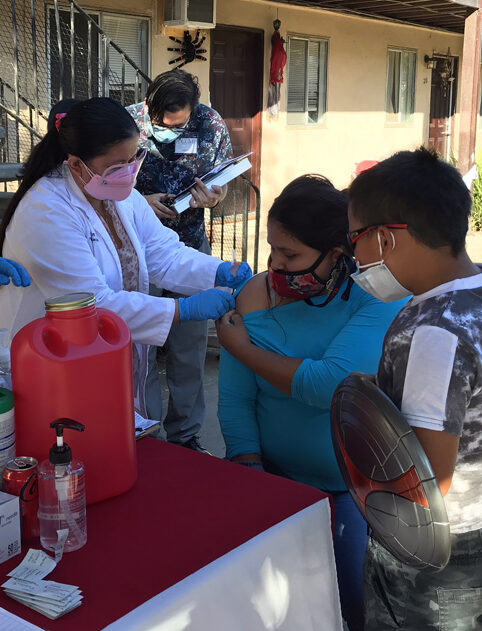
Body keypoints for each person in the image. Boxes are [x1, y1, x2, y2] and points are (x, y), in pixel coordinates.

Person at [347, 147, 482, 631]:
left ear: (385, 238)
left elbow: (431, 483)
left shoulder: (432, 332)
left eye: (355, 241)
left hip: (437, 550)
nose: (354, 258)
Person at [215, 175, 407, 630]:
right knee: (268, 607)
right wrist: (248, 467)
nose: (276, 266)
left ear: (336, 255)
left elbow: (332, 386)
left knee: (354, 602)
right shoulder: (255, 295)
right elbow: (236, 397)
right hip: (271, 480)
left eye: (291, 255)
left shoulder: (376, 295)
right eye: (272, 249)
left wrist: (245, 349)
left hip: (350, 490)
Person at [0, 97, 250, 417]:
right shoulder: (46, 210)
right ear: (76, 164)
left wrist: (217, 271)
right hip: (49, 358)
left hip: (100, 355)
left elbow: (163, 253)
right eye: (118, 166)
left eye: (134, 159)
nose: (130, 172)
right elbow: (92, 305)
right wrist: (182, 309)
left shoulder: (119, 194)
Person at [127, 69, 233, 451]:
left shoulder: (210, 124)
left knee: (189, 351)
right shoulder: (128, 122)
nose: (167, 131)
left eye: (177, 124)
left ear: (193, 109)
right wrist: (142, 202)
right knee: (141, 350)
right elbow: (107, 184)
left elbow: (222, 177)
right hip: (139, 249)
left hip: (188, 245)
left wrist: (216, 197)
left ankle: (186, 436)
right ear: (149, 106)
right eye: (160, 124)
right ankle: (146, 432)